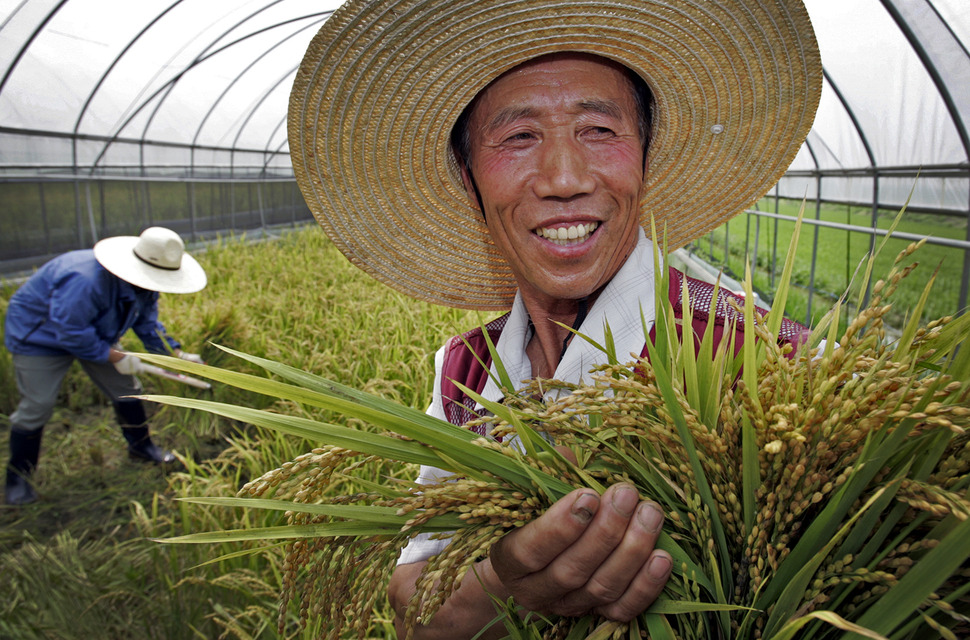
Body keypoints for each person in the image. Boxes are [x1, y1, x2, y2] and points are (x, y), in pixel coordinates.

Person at [287, 0, 822, 636]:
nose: (564, 178)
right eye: (518, 137)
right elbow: (415, 607)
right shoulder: (462, 371)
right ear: (470, 180)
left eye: (599, 131)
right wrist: (501, 584)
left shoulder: (771, 363)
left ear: (644, 159)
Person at [4, 226, 208, 506]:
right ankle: (18, 478)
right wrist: (118, 357)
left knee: (126, 387)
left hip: (94, 333)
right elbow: (70, 331)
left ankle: (141, 447)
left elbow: (147, 325)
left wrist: (177, 354)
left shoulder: (145, 286)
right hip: (40, 336)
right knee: (37, 405)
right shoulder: (85, 279)